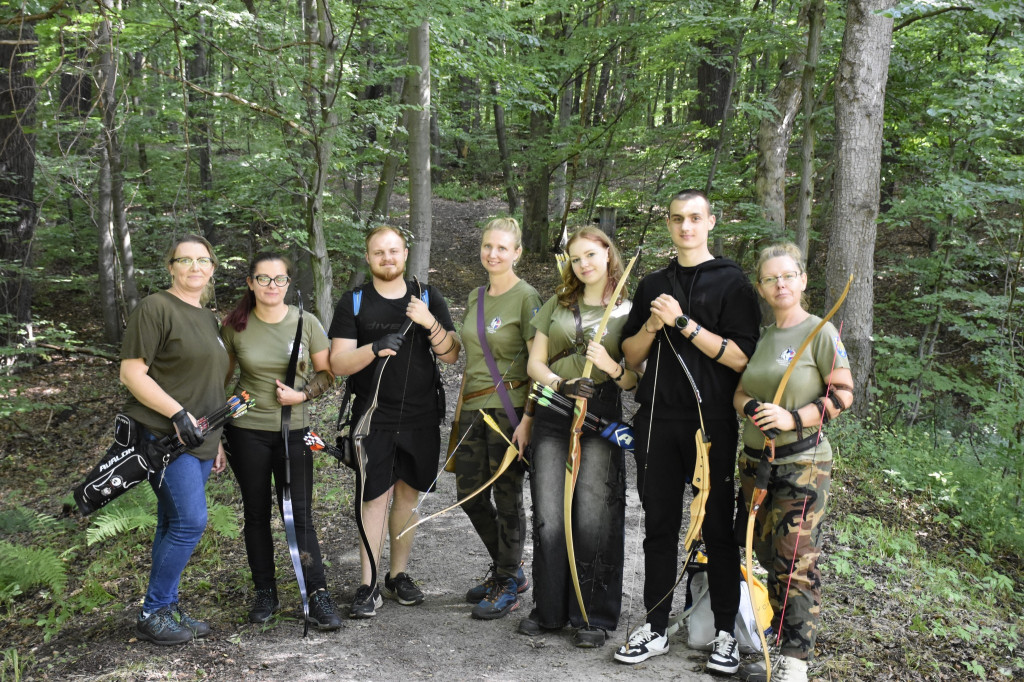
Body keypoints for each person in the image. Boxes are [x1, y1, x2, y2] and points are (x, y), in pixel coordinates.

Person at [616, 190, 761, 673]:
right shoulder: (652, 283)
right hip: (657, 419)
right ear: (668, 223)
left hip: (710, 423)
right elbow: (631, 357)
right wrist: (656, 327)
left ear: (710, 222)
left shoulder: (733, 283)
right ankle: (655, 627)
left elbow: (742, 357)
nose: (686, 227)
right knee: (658, 527)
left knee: (717, 528)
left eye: (695, 218)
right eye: (677, 219)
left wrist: (684, 323)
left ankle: (725, 632)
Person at [732, 244, 853, 682]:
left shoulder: (820, 332)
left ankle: (794, 661)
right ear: (762, 287)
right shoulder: (763, 337)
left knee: (795, 559)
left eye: (788, 276)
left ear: (802, 280)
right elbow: (740, 392)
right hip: (755, 462)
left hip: (803, 464)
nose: (780, 284)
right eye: (770, 278)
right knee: (762, 551)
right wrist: (751, 410)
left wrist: (793, 418)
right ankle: (774, 642)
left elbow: (843, 394)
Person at [328, 226, 460, 619]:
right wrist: (374, 347)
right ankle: (368, 585)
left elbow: (452, 355)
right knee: (375, 497)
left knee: (406, 496)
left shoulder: (427, 296)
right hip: (373, 418)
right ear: (368, 258)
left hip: (421, 415)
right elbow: (337, 364)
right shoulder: (353, 302)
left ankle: (398, 575)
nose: (387, 258)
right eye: (378, 252)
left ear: (405, 254)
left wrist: (429, 323)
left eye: (393, 251)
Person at [518, 226, 637, 648]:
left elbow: (633, 380)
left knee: (593, 516)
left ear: (608, 254)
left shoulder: (629, 310)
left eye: (590, 255)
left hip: (600, 413)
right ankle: (548, 611)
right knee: (550, 514)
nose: (583, 264)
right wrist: (559, 384)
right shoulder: (557, 302)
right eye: (576, 257)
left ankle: (594, 616)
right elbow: (534, 364)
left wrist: (610, 363)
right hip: (555, 407)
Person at [221, 252, 342, 631]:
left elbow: (327, 374)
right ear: (250, 283)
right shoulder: (235, 326)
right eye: (263, 279)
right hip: (246, 432)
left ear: (289, 283)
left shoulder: (306, 323)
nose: (272, 286)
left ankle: (317, 594)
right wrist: (213, 433)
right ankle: (265, 592)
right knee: (256, 514)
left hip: (296, 431)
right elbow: (219, 382)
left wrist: (302, 396)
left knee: (300, 515)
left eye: (279, 279)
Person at [120, 234, 230, 645]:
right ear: (171, 267)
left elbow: (207, 385)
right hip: (165, 438)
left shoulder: (207, 317)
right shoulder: (156, 308)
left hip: (200, 439)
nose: (195, 267)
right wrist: (177, 414)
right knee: (190, 522)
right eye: (185, 260)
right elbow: (132, 373)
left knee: (171, 522)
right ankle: (153, 611)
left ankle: (165, 606)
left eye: (203, 260)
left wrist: (216, 440)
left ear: (213, 268)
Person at [455, 218, 541, 620]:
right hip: (472, 408)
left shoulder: (527, 298)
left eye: (502, 248)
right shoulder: (476, 296)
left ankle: (507, 579)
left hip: (509, 412)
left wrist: (527, 419)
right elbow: (467, 354)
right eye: (488, 246)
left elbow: (538, 363)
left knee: (507, 497)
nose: (493, 254)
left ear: (517, 252)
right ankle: (511, 569)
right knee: (469, 495)